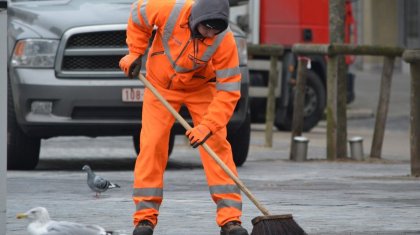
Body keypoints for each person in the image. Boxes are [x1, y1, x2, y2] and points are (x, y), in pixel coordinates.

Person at [119, 0, 248, 234]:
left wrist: (208, 127)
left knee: (217, 144)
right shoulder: (168, 9)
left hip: (201, 88)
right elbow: (138, 15)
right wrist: (135, 53)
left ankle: (231, 220)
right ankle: (144, 219)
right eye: (206, 28)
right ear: (195, 18)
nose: (210, 34)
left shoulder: (223, 39)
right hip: (160, 86)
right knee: (152, 144)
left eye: (215, 30)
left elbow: (229, 90)